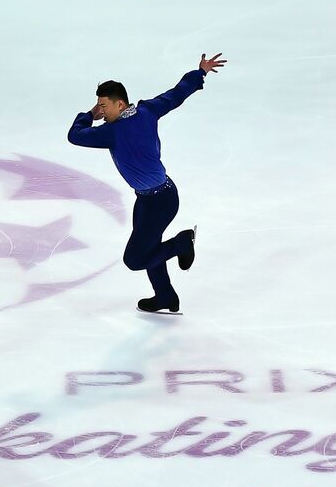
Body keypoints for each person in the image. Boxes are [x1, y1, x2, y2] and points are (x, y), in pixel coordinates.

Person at [67, 54, 227, 313]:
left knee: (134, 259)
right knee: (150, 248)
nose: (101, 111)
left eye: (104, 106)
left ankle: (182, 243)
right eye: (99, 106)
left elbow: (75, 136)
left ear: (120, 104)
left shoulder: (112, 132)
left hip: (159, 203)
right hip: (153, 198)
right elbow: (176, 94)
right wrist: (200, 73)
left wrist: (87, 116)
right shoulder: (147, 110)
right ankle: (165, 296)